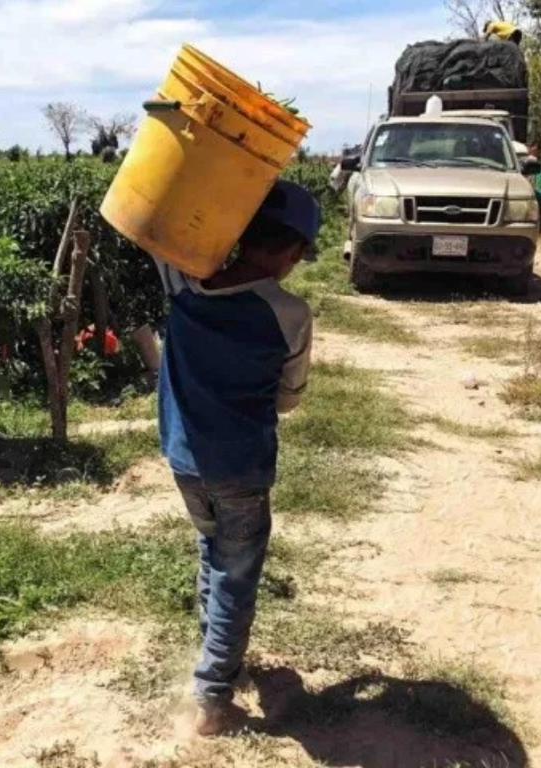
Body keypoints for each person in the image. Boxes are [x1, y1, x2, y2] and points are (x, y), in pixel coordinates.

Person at [154, 179, 319, 737]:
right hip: (241, 467)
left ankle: (217, 653)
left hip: (184, 461)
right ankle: (210, 694)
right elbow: (289, 396)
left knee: (212, 546)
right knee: (236, 572)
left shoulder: (183, 285)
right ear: (292, 250)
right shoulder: (290, 312)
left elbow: (158, 223)